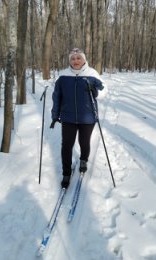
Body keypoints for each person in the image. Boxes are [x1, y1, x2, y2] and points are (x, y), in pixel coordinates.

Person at [50, 48, 104, 188]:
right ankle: (66, 173)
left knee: (84, 142)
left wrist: (95, 91)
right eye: (73, 58)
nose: (75, 61)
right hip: (68, 117)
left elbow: (104, 92)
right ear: (70, 61)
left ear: (84, 60)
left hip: (87, 117)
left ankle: (83, 160)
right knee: (66, 145)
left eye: (78, 58)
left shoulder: (92, 74)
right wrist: (55, 115)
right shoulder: (63, 76)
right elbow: (57, 97)